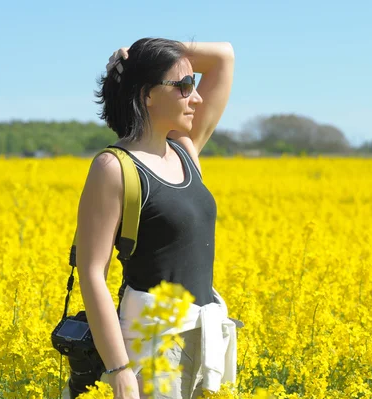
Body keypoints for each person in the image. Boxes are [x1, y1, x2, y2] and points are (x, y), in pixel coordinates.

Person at [61, 37, 236, 399]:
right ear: (147, 95)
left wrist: (138, 52)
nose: (197, 96)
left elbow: (223, 57)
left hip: (207, 339)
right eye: (185, 86)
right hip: (152, 347)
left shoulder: (186, 150)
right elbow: (93, 272)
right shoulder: (114, 168)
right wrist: (119, 369)